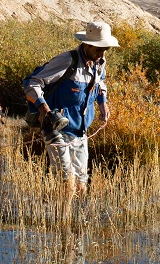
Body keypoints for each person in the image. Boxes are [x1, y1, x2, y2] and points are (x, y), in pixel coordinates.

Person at [23, 21, 116, 204]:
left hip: (81, 132)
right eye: (98, 49)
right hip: (56, 130)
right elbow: (31, 83)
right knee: (68, 182)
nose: (102, 54)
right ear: (87, 45)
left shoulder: (100, 63)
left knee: (82, 184)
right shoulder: (67, 61)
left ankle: (69, 218)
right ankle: (62, 224)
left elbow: (100, 84)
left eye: (106, 49)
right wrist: (44, 109)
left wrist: (103, 104)